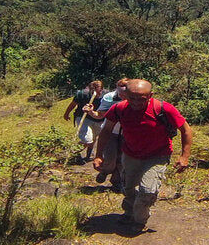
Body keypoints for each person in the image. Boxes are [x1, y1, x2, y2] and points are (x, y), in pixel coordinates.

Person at [93, 79, 192, 231]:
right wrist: (99, 155)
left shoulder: (163, 108)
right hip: (130, 154)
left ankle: (139, 220)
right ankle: (128, 213)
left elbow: (185, 129)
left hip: (157, 155)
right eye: (132, 97)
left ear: (150, 95)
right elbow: (106, 130)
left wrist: (184, 156)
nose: (136, 102)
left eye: (142, 98)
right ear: (125, 94)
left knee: (147, 190)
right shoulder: (119, 108)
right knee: (129, 187)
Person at [93, 78, 128, 187]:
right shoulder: (109, 98)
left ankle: (116, 181)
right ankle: (105, 170)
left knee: (123, 159)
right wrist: (90, 112)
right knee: (110, 156)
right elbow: (100, 114)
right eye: (120, 93)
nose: (122, 96)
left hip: (127, 134)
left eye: (125, 93)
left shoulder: (135, 98)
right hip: (111, 132)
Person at [63, 80, 104, 163]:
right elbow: (73, 104)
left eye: (98, 91)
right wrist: (66, 114)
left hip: (99, 119)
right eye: (93, 91)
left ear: (102, 89)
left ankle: (88, 156)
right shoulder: (82, 94)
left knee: (93, 138)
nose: (96, 93)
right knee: (86, 139)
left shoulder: (106, 96)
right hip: (83, 117)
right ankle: (73, 153)